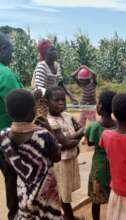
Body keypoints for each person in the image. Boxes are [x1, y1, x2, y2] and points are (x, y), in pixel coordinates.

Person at [0, 89, 62, 219]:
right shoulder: (43, 135)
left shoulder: (3, 137)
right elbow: (57, 157)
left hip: (24, 190)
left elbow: (8, 161)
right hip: (47, 193)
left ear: (8, 111)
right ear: (33, 110)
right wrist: (51, 133)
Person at [45, 86, 84, 220]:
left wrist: (70, 140)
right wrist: (77, 136)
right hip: (61, 162)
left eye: (63, 99)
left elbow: (69, 140)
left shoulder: (67, 115)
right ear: (47, 102)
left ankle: (69, 216)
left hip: (70, 157)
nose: (61, 102)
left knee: (66, 192)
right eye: (57, 100)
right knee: (64, 193)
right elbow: (67, 143)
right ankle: (69, 218)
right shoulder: (49, 121)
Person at [0, 33, 23, 220]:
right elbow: (17, 108)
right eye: (10, 51)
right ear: (3, 50)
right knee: (13, 177)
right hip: (7, 136)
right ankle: (15, 214)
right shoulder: (5, 74)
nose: (12, 56)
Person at [85, 91, 116, 220]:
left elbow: (90, 142)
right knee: (114, 199)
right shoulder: (119, 127)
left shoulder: (93, 127)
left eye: (97, 102)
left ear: (100, 106)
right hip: (115, 167)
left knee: (96, 200)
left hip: (99, 168)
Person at [32, 43, 77, 118]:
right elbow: (39, 88)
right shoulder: (41, 66)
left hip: (54, 98)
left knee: (62, 118)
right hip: (43, 99)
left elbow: (60, 83)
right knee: (47, 120)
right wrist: (53, 98)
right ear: (45, 53)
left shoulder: (57, 65)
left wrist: (70, 95)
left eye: (55, 49)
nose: (55, 52)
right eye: (52, 50)